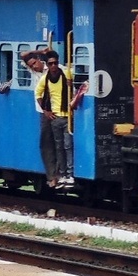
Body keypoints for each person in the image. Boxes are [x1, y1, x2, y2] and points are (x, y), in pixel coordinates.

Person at [32, 51, 83, 188]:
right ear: (47, 65)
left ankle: (70, 174)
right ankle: (63, 175)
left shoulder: (67, 73)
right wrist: (46, 111)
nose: (53, 66)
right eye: (50, 64)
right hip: (55, 118)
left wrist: (71, 85)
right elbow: (37, 93)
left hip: (67, 116)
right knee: (59, 147)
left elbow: (79, 85)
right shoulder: (45, 78)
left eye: (55, 63)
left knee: (67, 146)